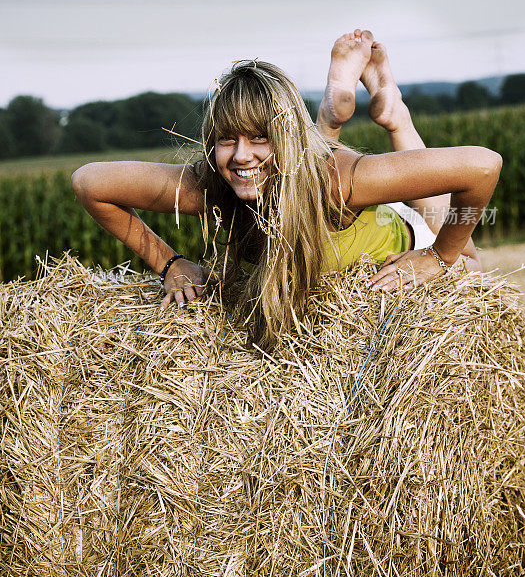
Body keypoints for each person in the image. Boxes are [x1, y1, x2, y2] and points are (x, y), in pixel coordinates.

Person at [72, 29, 501, 349]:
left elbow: (483, 167)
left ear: (285, 135)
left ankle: (393, 113)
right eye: (227, 139)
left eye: (260, 137)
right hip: (306, 168)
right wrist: (170, 264)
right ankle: (328, 117)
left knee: (469, 266)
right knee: (297, 172)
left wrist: (438, 256)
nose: (240, 156)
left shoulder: (341, 182)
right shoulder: (208, 185)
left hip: (398, 224)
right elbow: (89, 182)